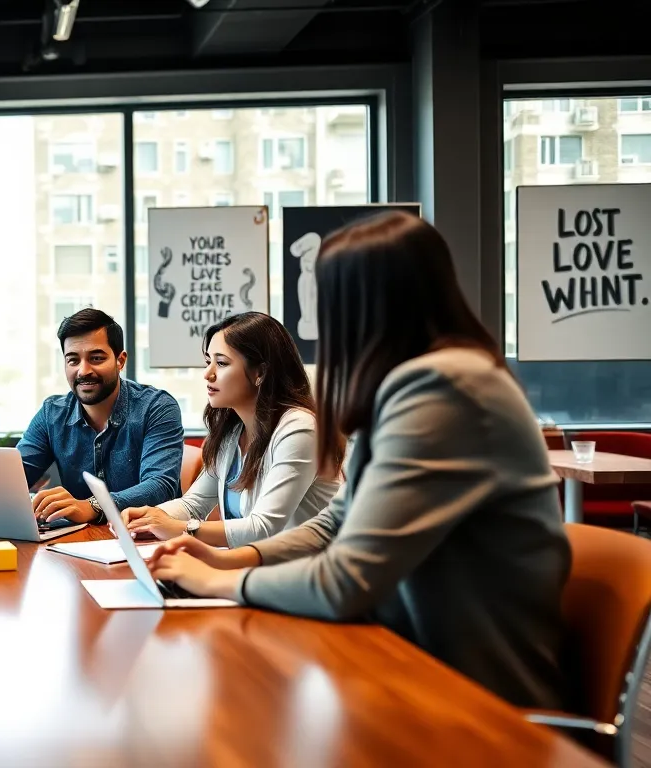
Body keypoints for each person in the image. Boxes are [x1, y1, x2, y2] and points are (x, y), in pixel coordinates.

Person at [146, 211, 570, 710]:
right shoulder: (412, 384)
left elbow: (348, 580)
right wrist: (230, 558)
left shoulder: (445, 389)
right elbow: (337, 522)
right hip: (409, 656)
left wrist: (217, 580)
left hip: (472, 691)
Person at [120, 311, 340, 547]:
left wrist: (179, 528)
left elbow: (263, 528)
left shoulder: (300, 429)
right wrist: (147, 518)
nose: (208, 374)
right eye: (208, 361)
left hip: (305, 575)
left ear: (261, 373)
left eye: (222, 363)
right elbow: (193, 505)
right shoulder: (232, 431)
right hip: (252, 569)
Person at [19, 308, 184, 526]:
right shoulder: (52, 414)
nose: (83, 371)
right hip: (78, 544)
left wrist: (93, 505)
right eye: (73, 360)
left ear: (120, 360)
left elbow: (160, 486)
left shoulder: (156, 407)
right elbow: (13, 479)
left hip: (148, 541)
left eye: (96, 358)